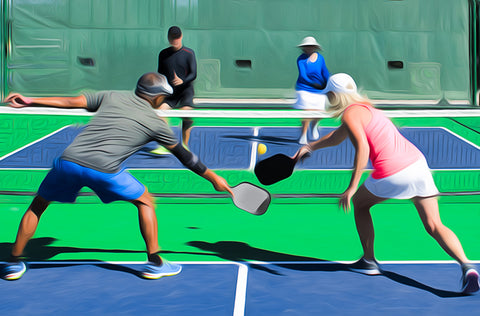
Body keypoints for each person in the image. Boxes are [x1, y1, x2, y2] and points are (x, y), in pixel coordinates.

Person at [1, 72, 233, 281]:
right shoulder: (156, 124)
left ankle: (13, 263)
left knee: (38, 204)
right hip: (104, 169)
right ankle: (155, 262)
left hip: (69, 161)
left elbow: (73, 102)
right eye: (163, 96)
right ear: (156, 97)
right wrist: (214, 179)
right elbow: (186, 157)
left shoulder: (112, 96)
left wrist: (30, 101)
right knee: (144, 200)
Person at [294, 73, 479, 294]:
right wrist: (310, 147)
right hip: (419, 165)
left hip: (393, 171)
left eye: (330, 95)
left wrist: (352, 188)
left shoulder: (351, 115)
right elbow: (337, 137)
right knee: (434, 225)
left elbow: (362, 147)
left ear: (335, 96)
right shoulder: (368, 111)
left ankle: (369, 261)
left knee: (361, 204)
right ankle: (467, 266)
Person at [156, 26, 197, 150]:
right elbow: (160, 74)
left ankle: (185, 146)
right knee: (160, 113)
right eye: (173, 38)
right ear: (169, 39)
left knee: (186, 114)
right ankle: (166, 145)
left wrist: (182, 80)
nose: (175, 40)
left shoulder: (189, 53)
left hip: (186, 91)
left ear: (181, 37)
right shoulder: (163, 54)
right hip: (171, 92)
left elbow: (193, 74)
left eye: (177, 38)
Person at [294, 36, 330, 145]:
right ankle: (303, 135)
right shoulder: (300, 59)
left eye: (311, 46)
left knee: (320, 112)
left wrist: (328, 82)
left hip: (319, 89)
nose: (309, 48)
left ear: (315, 47)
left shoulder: (320, 58)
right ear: (304, 48)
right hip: (304, 88)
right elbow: (303, 75)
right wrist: (314, 84)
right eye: (306, 46)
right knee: (307, 112)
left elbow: (325, 72)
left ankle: (314, 126)